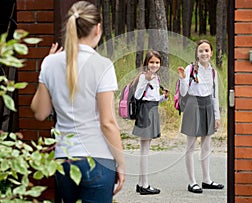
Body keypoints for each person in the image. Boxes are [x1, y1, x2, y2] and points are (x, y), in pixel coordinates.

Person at [30, 1, 125, 202]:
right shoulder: (103, 65)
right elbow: (107, 122)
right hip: (97, 159)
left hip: (63, 159)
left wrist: (44, 73)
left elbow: (39, 112)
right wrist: (121, 164)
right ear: (98, 29)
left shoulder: (50, 62)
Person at [177, 39, 224, 194]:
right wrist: (183, 79)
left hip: (208, 106)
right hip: (193, 105)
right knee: (191, 146)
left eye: (206, 50)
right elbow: (184, 92)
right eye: (201, 51)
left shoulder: (212, 72)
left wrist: (217, 116)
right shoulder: (190, 68)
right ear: (197, 54)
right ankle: (192, 182)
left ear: (211, 53)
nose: (204, 53)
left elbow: (215, 94)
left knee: (206, 145)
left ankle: (207, 180)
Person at [133, 50, 168, 195]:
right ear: (146, 63)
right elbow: (138, 96)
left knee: (145, 149)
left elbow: (152, 98)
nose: (154, 65)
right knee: (144, 151)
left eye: (157, 62)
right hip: (145, 112)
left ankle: (141, 184)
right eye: (152, 62)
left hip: (152, 110)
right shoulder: (144, 77)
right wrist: (145, 80)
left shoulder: (156, 77)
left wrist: (163, 97)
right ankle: (145, 185)